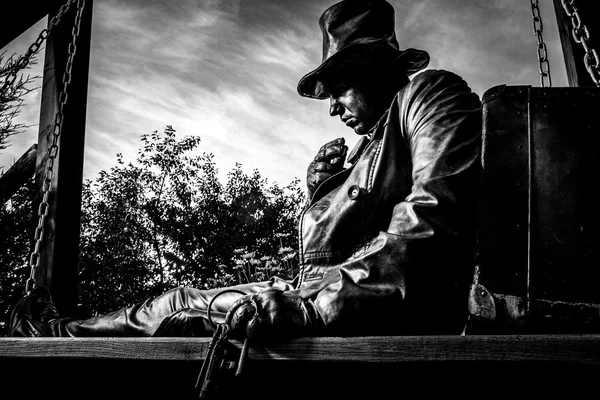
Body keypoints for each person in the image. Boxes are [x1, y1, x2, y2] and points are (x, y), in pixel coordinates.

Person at [8, 0, 482, 339]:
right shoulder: (371, 145)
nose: (333, 108)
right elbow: (349, 235)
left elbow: (435, 216)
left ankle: (52, 333)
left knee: (180, 307)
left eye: (338, 88)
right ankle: (56, 331)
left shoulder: (428, 95)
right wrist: (323, 188)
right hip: (327, 296)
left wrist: (312, 308)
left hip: (357, 309)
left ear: (376, 67)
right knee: (177, 301)